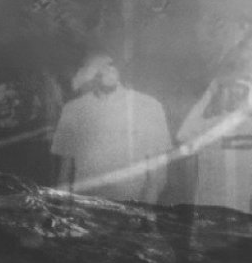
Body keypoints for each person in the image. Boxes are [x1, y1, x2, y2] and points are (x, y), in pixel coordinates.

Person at [51, 53, 172, 203]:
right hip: (83, 207)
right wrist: (63, 210)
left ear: (120, 68)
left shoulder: (149, 106)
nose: (105, 71)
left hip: (130, 207)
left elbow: (158, 176)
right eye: (98, 67)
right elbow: (64, 173)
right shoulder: (72, 109)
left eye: (110, 65)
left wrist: (144, 212)